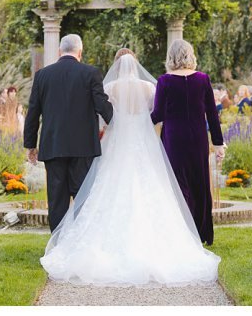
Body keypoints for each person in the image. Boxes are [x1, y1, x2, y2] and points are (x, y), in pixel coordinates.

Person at [40, 48, 220, 285]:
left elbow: (104, 117)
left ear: (117, 65)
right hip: (143, 143)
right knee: (153, 187)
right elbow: (156, 113)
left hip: (117, 143)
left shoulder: (110, 88)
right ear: (136, 65)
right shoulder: (149, 88)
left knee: (109, 187)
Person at [23, 34, 114, 232]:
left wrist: (30, 145)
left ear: (59, 51)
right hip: (83, 147)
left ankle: (57, 242)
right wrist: (116, 120)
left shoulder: (43, 75)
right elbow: (102, 105)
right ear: (80, 52)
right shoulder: (91, 73)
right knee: (83, 197)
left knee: (57, 200)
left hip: (53, 145)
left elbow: (33, 113)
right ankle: (81, 242)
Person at [150, 39, 225, 247]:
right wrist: (218, 143)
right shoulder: (203, 79)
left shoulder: (164, 81)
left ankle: (182, 232)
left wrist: (138, 121)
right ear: (190, 55)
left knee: (178, 184)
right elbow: (212, 113)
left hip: (175, 138)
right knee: (200, 182)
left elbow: (158, 114)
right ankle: (201, 233)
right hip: (198, 138)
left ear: (171, 57)